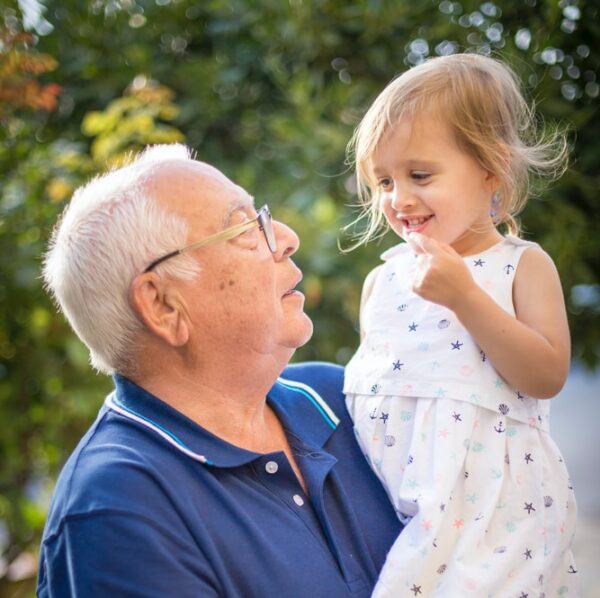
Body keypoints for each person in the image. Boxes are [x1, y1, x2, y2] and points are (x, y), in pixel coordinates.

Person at [37, 144, 402, 597]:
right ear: (163, 305)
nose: (287, 238)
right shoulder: (119, 505)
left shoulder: (340, 397)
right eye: (246, 229)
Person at [343, 53, 579, 597]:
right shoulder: (384, 281)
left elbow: (545, 375)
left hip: (492, 517)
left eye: (419, 174)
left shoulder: (520, 266)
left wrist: (466, 297)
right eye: (383, 181)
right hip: (396, 508)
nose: (399, 199)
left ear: (490, 169)